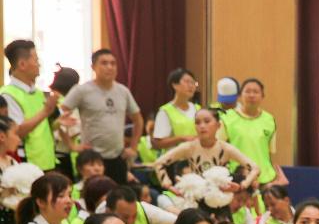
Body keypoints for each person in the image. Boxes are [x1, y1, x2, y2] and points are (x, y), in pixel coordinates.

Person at [59, 49, 143, 183]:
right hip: (92, 160)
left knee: (118, 199)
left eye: (113, 63)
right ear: (93, 67)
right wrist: (72, 145)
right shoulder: (82, 91)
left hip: (118, 157)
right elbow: (58, 117)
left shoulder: (123, 91)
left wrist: (133, 147)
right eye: (104, 63)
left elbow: (138, 120)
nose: (109, 67)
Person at [1, 40, 59, 171]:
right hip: (26, 162)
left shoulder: (38, 93)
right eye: (36, 59)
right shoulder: (8, 95)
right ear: (22, 64)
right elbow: (17, 132)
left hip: (46, 159)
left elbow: (41, 127)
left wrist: (59, 122)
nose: (39, 64)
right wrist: (45, 111)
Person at [222, 77, 287, 187]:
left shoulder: (269, 120)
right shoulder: (227, 118)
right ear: (240, 95)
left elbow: (270, 153)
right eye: (247, 91)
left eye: (256, 92)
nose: (251, 95)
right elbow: (219, 150)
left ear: (262, 96)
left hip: (265, 179)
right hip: (239, 178)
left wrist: (275, 177)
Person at [151, 68, 200, 151]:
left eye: (193, 83)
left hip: (196, 157)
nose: (191, 86)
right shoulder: (165, 111)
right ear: (174, 85)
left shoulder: (198, 108)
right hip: (175, 160)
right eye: (187, 82)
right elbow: (157, 143)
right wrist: (181, 138)